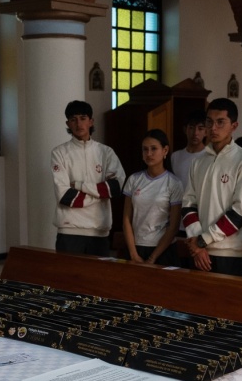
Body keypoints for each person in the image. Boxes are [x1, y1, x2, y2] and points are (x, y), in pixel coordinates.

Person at [181, 98, 242, 276]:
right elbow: (188, 204)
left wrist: (203, 240)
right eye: (209, 122)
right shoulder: (198, 162)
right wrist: (196, 241)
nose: (213, 128)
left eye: (220, 122)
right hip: (199, 250)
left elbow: (240, 213)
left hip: (230, 252)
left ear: (234, 125)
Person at [51, 100, 126, 256]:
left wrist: (79, 185)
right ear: (68, 124)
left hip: (99, 231)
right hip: (69, 230)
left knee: (98, 280)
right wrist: (100, 194)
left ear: (91, 121)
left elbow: (116, 187)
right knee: (67, 280)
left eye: (83, 118)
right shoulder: (59, 153)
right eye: (73, 119)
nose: (79, 124)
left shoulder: (106, 152)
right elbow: (66, 196)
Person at [122, 129, 183, 266]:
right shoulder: (134, 179)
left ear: (165, 150)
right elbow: (126, 218)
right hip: (136, 247)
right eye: (145, 149)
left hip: (163, 250)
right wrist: (133, 253)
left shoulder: (174, 183)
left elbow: (173, 226)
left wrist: (153, 258)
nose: (149, 154)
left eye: (154, 149)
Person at [169, 110, 209, 189]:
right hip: (178, 200)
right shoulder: (175, 156)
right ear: (185, 129)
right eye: (191, 128)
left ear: (206, 132)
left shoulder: (210, 156)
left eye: (200, 129)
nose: (195, 133)